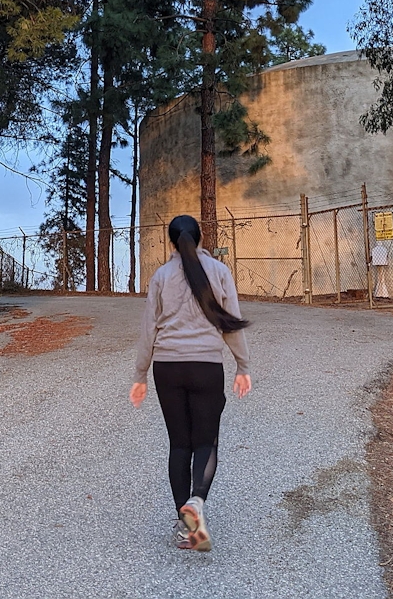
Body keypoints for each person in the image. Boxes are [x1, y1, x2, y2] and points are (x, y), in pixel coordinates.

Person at [130, 214, 252, 552]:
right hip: (206, 367)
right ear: (199, 240)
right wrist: (243, 365)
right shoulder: (219, 272)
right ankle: (196, 502)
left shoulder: (160, 276)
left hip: (167, 369)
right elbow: (230, 324)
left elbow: (148, 330)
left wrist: (140, 375)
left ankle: (187, 527)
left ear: (172, 242)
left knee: (179, 444)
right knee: (206, 442)